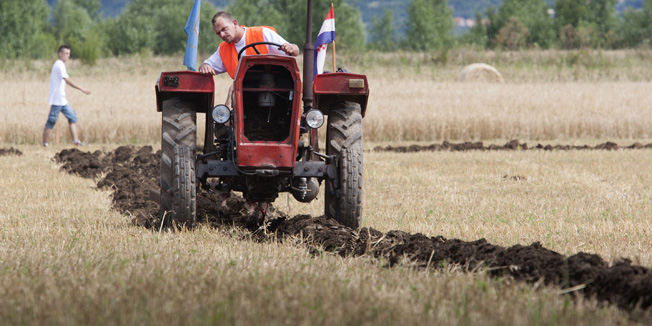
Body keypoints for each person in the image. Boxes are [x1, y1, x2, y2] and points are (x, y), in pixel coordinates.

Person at [198, 11, 299, 107]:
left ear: (234, 23)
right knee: (233, 89)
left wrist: (292, 47)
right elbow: (207, 65)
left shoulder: (262, 33)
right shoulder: (223, 49)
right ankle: (226, 124)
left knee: (289, 86)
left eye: (224, 29)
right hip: (247, 86)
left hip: (275, 80)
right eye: (218, 33)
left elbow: (294, 50)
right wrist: (204, 66)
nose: (222, 35)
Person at [42, 45, 91, 147]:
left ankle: (76, 141)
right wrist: (82, 89)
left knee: (72, 117)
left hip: (62, 100)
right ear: (60, 54)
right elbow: (67, 80)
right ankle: (44, 144)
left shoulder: (61, 65)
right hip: (57, 100)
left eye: (69, 54)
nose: (68, 56)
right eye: (66, 53)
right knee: (51, 122)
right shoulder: (59, 65)